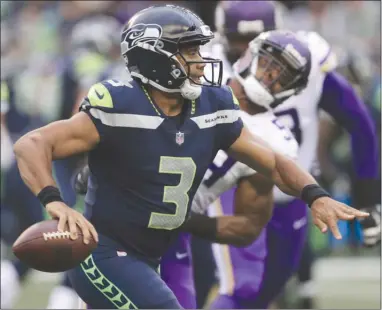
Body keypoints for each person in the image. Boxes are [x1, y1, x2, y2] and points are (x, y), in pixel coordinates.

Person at [13, 5, 368, 309]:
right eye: (191, 52)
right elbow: (32, 144)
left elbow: (272, 161)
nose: (202, 61)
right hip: (104, 251)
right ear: (154, 55)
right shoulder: (119, 105)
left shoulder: (212, 105)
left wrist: (315, 195)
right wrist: (55, 202)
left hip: (156, 252)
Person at [192, 1, 378, 309]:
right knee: (239, 288)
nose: (263, 65)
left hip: (291, 190)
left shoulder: (306, 60)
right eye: (241, 43)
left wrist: (368, 196)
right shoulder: (206, 65)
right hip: (229, 189)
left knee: (266, 290)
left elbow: (358, 121)